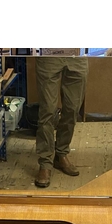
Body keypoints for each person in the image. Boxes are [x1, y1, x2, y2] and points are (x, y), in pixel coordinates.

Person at [34, 56, 89, 188]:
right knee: (47, 111)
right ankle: (45, 163)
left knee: (72, 109)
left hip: (77, 56)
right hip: (49, 54)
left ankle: (61, 154)